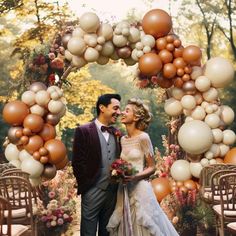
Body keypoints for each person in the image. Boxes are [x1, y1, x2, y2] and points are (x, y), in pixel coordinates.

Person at [107, 98, 179, 236]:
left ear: (136, 117)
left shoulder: (143, 138)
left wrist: (134, 177)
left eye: (127, 110)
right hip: (123, 190)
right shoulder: (122, 139)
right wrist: (118, 174)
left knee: (144, 223)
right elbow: (122, 163)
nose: (122, 112)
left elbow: (152, 167)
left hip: (139, 189)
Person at [72, 93, 122, 236]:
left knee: (107, 230)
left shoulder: (117, 133)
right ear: (102, 108)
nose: (118, 112)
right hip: (92, 189)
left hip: (112, 191)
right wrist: (87, 185)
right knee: (88, 231)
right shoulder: (83, 131)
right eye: (115, 108)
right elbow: (77, 162)